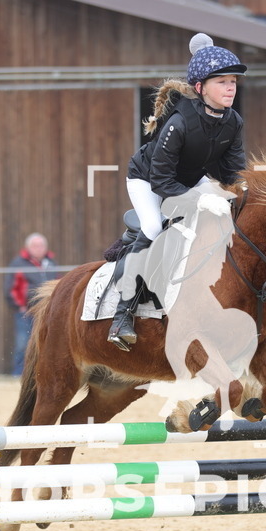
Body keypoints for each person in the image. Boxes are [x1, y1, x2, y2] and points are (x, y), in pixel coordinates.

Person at [108, 32, 247, 351]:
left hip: (190, 179)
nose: (230, 87)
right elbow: (161, 181)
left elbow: (234, 172)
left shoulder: (233, 122)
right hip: (148, 180)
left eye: (233, 82)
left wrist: (243, 192)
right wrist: (202, 198)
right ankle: (122, 315)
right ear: (200, 88)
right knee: (154, 228)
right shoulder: (179, 123)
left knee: (226, 217)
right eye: (222, 82)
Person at [5, 233, 58, 375]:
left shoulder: (51, 263)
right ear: (28, 247)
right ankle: (18, 374)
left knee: (47, 343)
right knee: (23, 344)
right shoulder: (19, 263)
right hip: (26, 312)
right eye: (35, 246)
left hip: (47, 312)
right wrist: (20, 306)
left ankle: (42, 374)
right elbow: (11, 288)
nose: (39, 248)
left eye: (41, 245)